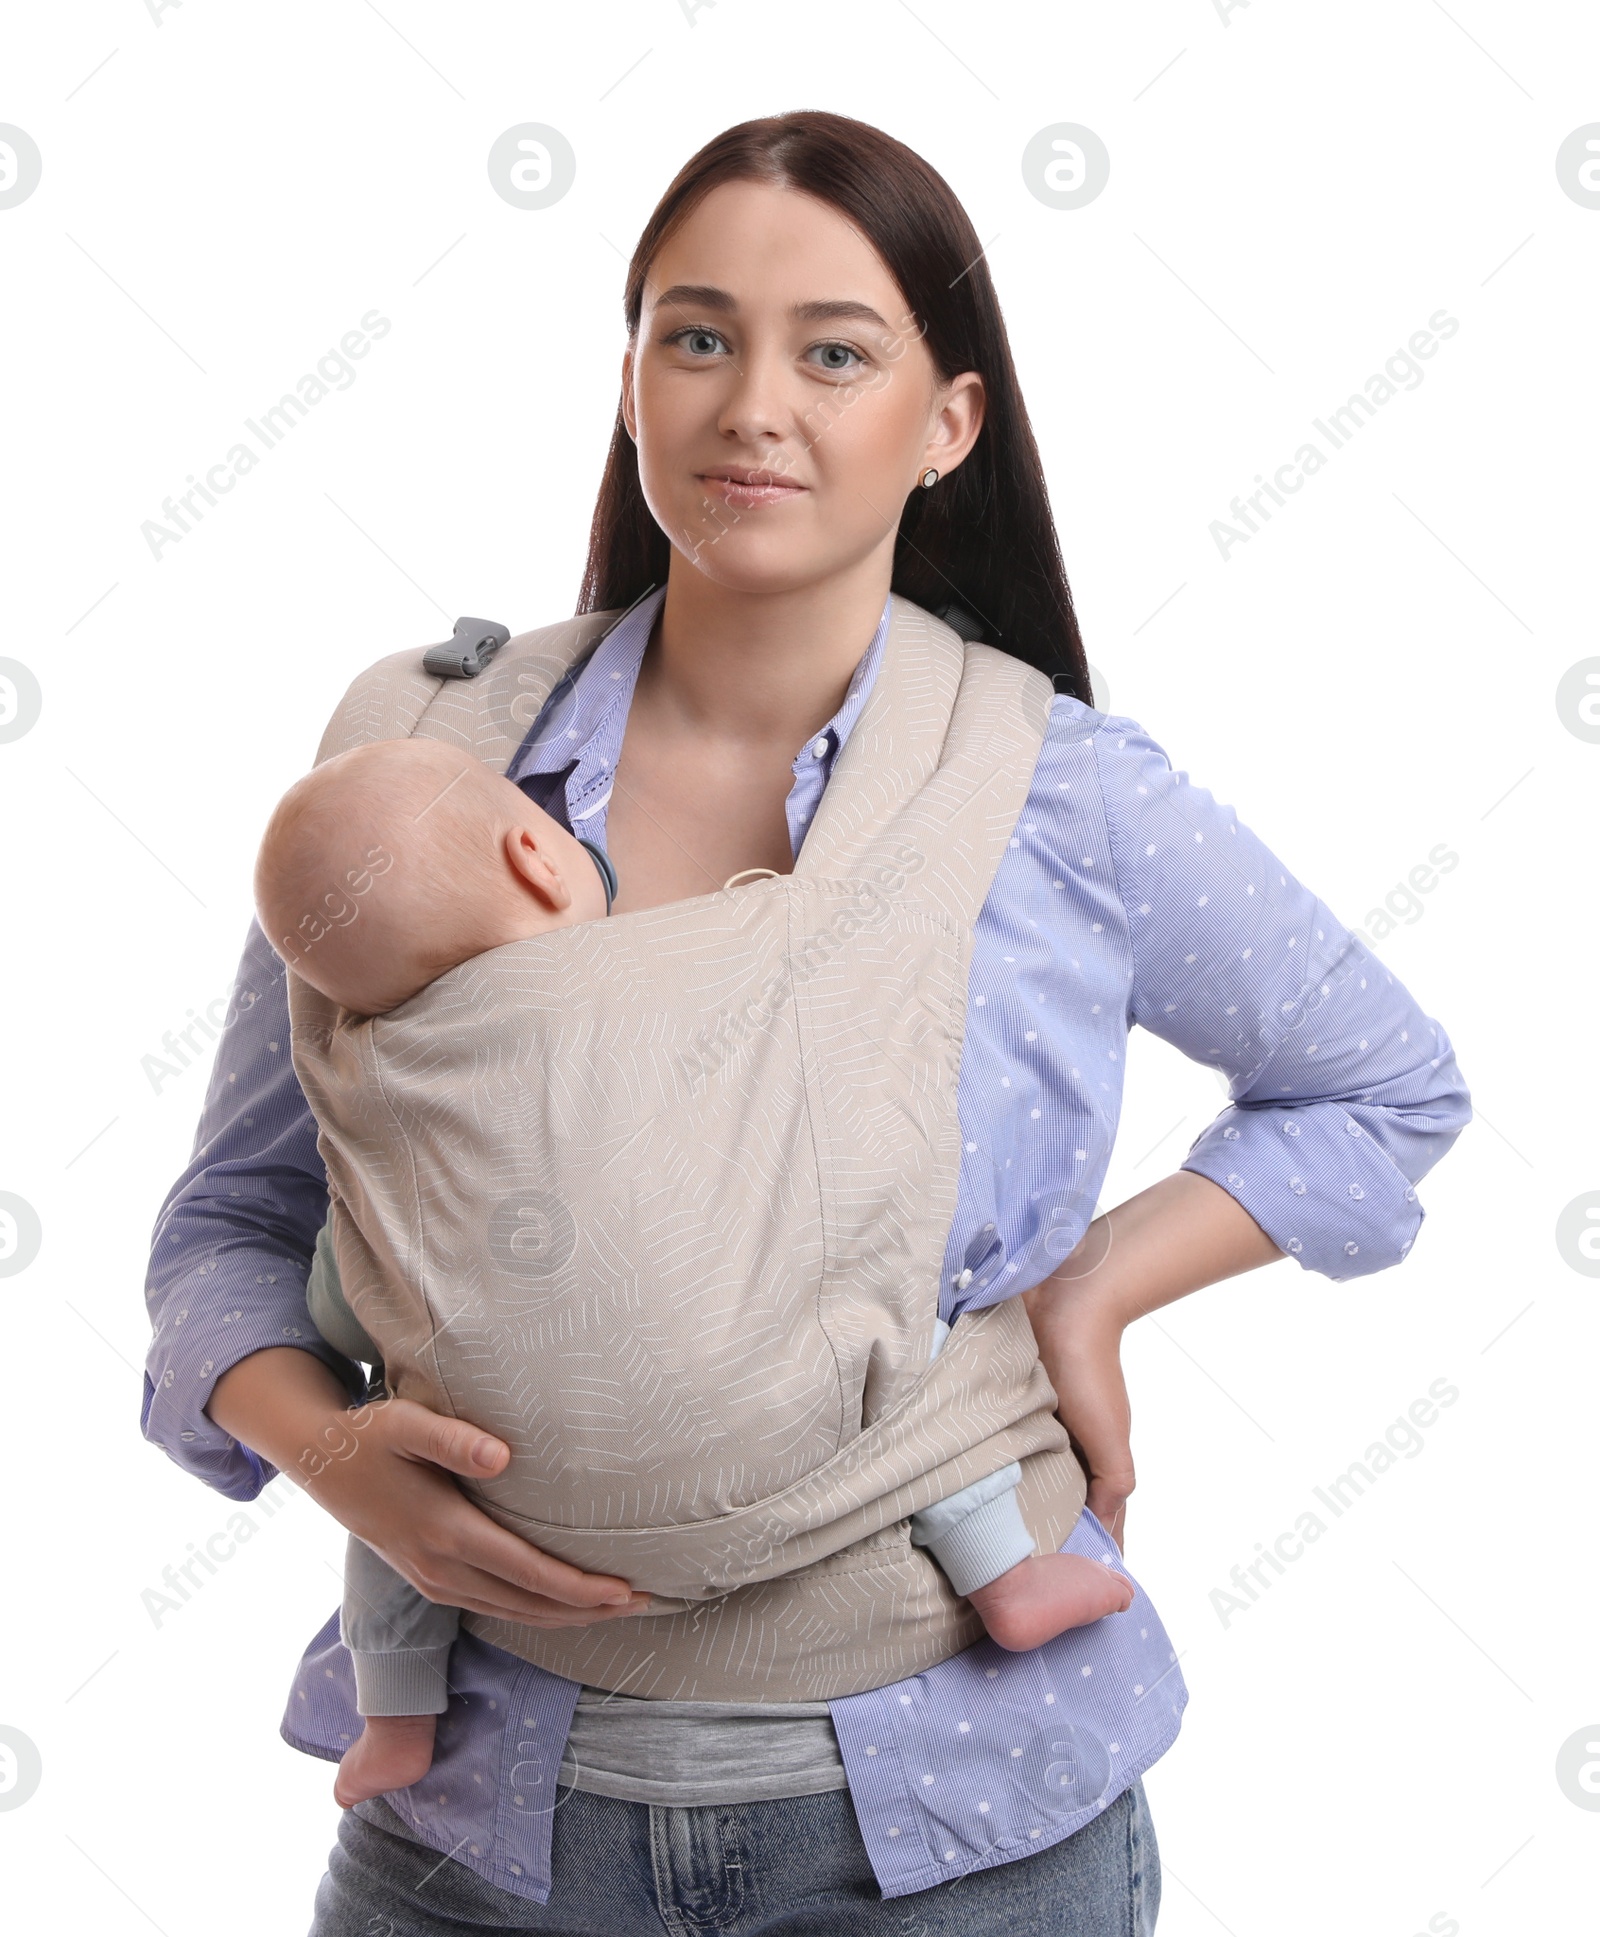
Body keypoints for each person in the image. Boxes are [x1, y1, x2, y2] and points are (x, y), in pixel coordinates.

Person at [142, 111, 1471, 1934]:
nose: (751, 401)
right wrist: (327, 1446)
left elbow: (1379, 1085)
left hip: (954, 1831)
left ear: (948, 424)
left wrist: (1095, 1285)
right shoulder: (431, 762)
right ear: (630, 382)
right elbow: (237, 1218)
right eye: (696, 336)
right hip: (481, 1827)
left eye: (833, 351)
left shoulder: (1051, 794)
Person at [253, 734, 1137, 1806]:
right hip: (793, 1452)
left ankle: (393, 1707)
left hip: (521, 1502)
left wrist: (356, 1386)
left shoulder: (376, 1079)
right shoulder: (689, 966)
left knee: (395, 1481)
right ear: (538, 855)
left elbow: (338, 1308)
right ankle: (1006, 1568)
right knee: (918, 1336)